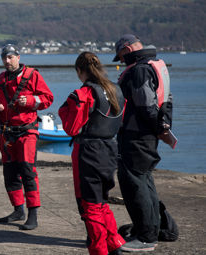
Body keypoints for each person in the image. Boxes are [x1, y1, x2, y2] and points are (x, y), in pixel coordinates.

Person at [58, 52, 126, 255]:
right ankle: (115, 243)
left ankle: (99, 250)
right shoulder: (116, 89)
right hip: (110, 149)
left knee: (90, 206)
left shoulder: (84, 93)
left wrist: (66, 107)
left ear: (80, 71)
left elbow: (71, 127)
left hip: (89, 151)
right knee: (101, 202)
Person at [112, 34, 173, 252]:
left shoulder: (138, 70)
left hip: (137, 137)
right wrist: (161, 129)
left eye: (121, 57)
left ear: (127, 50)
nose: (121, 62)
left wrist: (153, 128)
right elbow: (164, 101)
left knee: (135, 186)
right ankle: (163, 228)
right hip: (148, 136)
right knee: (145, 182)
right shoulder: (156, 65)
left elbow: (146, 105)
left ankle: (146, 237)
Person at [0, 44, 53, 230]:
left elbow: (48, 98)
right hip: (5, 132)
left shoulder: (33, 76)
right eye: (4, 58)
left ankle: (33, 214)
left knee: (27, 170)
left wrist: (31, 101)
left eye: (10, 57)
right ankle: (18, 210)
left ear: (18, 56)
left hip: (27, 131)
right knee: (9, 172)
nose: (7, 61)